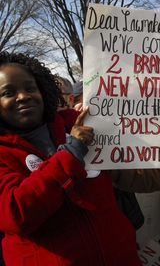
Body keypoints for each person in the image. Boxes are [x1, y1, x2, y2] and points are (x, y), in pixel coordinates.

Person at [0, 52, 141, 266]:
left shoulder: (78, 123)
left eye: (30, 88)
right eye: (8, 92)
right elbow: (15, 213)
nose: (23, 96)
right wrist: (70, 154)